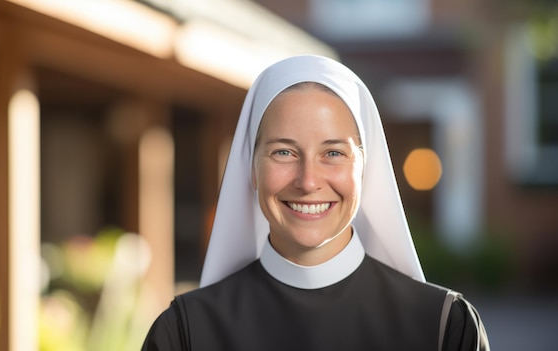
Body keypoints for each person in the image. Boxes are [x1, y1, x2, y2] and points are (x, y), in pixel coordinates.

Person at [141, 55, 489, 350]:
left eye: (333, 153)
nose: (307, 181)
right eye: (284, 152)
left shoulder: (444, 327)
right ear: (251, 168)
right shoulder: (185, 333)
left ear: (365, 169)